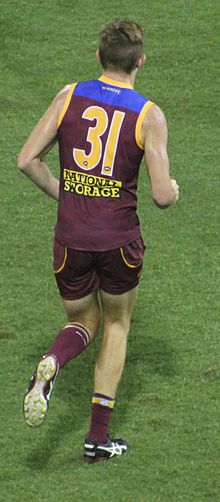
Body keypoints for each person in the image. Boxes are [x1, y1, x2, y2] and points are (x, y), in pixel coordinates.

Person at [17, 19, 179, 463]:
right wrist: (176, 190)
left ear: (99, 58)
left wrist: (66, 193)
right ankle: (97, 439)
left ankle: (54, 359)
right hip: (119, 242)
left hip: (70, 238)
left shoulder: (69, 95)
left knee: (81, 323)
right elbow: (163, 196)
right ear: (140, 61)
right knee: (115, 324)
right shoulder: (149, 114)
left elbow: (27, 159)